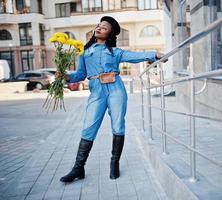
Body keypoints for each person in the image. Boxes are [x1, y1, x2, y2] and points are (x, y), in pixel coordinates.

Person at [57, 16, 166, 182]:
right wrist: (65, 76)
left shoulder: (115, 52)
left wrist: (154, 54)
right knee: (88, 126)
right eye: (99, 25)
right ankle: (78, 168)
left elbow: (135, 55)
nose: (99, 28)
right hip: (96, 92)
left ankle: (114, 163)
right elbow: (80, 75)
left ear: (110, 34)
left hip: (116, 89)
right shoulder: (85, 53)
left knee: (118, 125)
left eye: (105, 27)